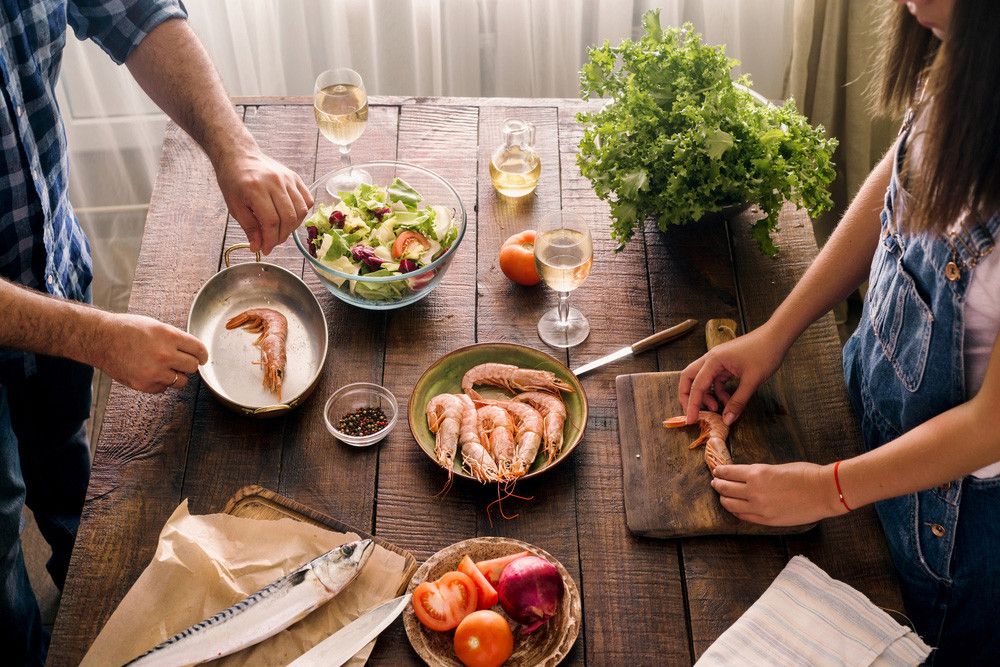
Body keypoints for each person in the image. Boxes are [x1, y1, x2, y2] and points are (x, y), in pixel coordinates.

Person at [679, 0, 999, 662]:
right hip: (859, 427)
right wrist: (776, 332)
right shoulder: (958, 50)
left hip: (949, 531)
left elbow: (989, 425)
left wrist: (827, 488)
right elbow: (904, 177)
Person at [1, 1, 313, 663]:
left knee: (64, 457)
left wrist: (237, 149)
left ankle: (84, 600)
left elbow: (132, 10)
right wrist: (97, 336)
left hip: (46, 259)